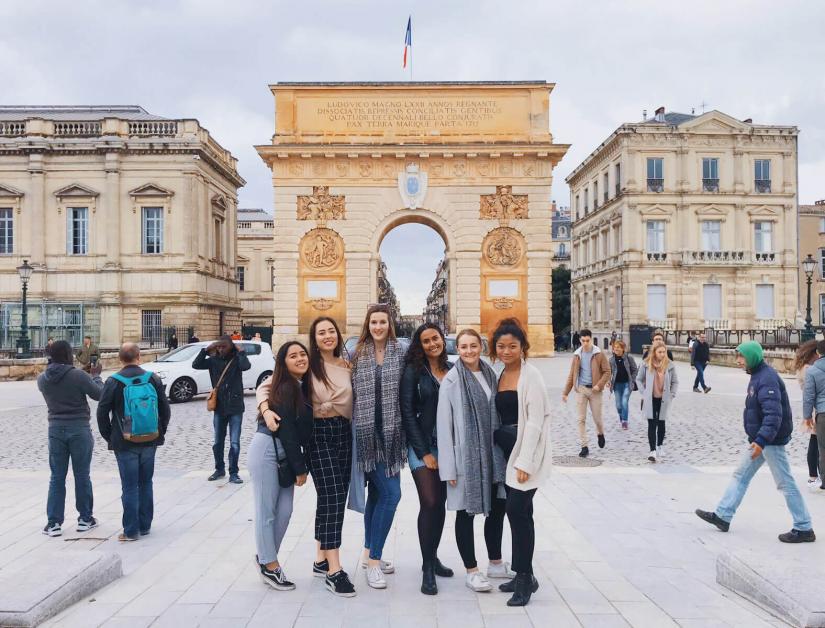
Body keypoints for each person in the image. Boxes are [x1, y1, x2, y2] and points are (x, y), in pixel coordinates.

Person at [257, 316, 356, 597]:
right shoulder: (308, 365)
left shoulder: (349, 366)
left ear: (337, 334)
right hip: (318, 435)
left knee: (331, 498)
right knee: (334, 495)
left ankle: (321, 559)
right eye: (321, 332)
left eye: (331, 331)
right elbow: (268, 385)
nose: (327, 336)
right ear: (315, 337)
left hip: (343, 435)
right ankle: (335, 570)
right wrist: (265, 408)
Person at [696, 341, 816, 543]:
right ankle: (723, 515)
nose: (739, 361)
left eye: (741, 357)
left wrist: (760, 441)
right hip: (761, 439)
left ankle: (804, 527)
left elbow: (773, 415)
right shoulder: (758, 376)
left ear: (751, 357)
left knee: (785, 483)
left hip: (769, 441)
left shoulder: (766, 378)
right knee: (741, 475)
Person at [437, 328, 512, 593]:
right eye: (464, 347)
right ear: (458, 349)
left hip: (493, 456)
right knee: (465, 513)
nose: (469, 351)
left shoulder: (491, 374)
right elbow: (444, 426)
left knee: (498, 508)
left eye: (473, 346)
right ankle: (471, 570)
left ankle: (495, 562)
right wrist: (449, 467)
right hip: (465, 458)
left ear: (481, 347)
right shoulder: (452, 380)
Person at [491, 319, 551, 607]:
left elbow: (536, 422)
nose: (506, 351)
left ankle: (525, 578)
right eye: (501, 346)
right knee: (522, 513)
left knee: (517, 511)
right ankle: (523, 573)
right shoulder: (500, 373)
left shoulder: (532, 376)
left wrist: (525, 462)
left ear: (522, 347)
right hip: (508, 453)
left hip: (527, 453)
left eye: (512, 346)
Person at [249, 341, 313, 590]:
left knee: (284, 511)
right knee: (267, 511)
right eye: (293, 356)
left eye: (302, 354)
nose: (300, 359)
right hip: (268, 449)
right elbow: (286, 430)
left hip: (284, 453)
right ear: (283, 363)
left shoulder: (301, 384)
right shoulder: (286, 387)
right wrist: (300, 468)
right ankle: (270, 564)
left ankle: (265, 557)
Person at [351, 304, 406, 590]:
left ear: (390, 323)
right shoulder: (356, 353)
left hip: (393, 436)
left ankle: (368, 552)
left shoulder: (402, 351)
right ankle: (374, 561)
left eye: (383, 321)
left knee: (377, 496)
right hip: (364, 435)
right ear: (367, 324)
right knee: (391, 495)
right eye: (373, 322)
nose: (378, 326)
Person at [400, 323, 455, 595]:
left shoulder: (452, 370)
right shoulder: (413, 371)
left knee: (440, 504)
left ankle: (433, 557)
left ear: (442, 339)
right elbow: (407, 412)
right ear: (419, 345)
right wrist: (424, 452)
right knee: (430, 501)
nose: (432, 344)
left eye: (435, 338)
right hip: (422, 445)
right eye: (426, 340)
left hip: (447, 446)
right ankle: (427, 568)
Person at [96, 343, 170, 541]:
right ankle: (145, 525)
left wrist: (111, 437)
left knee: (129, 487)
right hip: (150, 439)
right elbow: (165, 409)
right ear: (138, 357)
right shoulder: (152, 378)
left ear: (121, 359)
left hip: (125, 440)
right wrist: (159, 431)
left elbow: (102, 412)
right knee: (146, 483)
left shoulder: (113, 382)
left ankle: (131, 531)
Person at [37, 340, 104, 536]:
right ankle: (85, 518)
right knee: (82, 475)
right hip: (79, 428)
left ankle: (54, 523)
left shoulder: (42, 379)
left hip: (55, 429)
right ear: (68, 355)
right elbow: (99, 394)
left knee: (57, 477)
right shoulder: (78, 376)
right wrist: (97, 376)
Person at [193, 336, 251, 484]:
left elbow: (246, 366)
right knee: (218, 441)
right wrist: (205, 350)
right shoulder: (213, 360)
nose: (220, 349)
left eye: (223, 347)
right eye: (218, 347)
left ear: (231, 347)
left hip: (236, 406)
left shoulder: (237, 360)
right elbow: (196, 364)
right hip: (219, 406)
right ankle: (219, 469)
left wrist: (241, 351)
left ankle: (234, 472)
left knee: (234, 442)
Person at [562, 329, 609, 458]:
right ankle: (584, 446)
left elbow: (607, 372)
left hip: (595, 391)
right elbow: (572, 375)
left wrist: (599, 385)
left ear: (591, 339)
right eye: (583, 341)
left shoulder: (599, 354)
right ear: (580, 340)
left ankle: (600, 433)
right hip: (581, 389)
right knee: (581, 419)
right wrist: (566, 392)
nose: (585, 343)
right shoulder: (577, 355)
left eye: (588, 340)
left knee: (597, 419)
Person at [636, 340, 678, 463]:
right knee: (652, 423)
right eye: (660, 352)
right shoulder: (646, 364)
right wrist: (644, 392)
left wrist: (672, 394)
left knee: (661, 422)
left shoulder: (670, 365)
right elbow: (638, 379)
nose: (662, 354)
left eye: (664, 352)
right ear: (654, 352)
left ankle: (659, 445)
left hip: (664, 398)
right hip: (651, 398)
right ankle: (652, 451)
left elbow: (675, 381)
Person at [795, 340, 820, 490]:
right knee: (816, 442)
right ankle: (813, 475)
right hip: (815, 408)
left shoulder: (805, 367)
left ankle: (814, 475)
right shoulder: (808, 369)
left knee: (815, 441)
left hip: (814, 407)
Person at [802, 339, 825, 494]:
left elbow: (808, 396)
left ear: (818, 353)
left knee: (823, 449)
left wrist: (807, 416)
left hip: (823, 414)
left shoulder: (812, 371)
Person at [608, 339, 638, 430]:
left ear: (623, 348)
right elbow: (608, 372)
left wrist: (632, 380)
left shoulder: (629, 358)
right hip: (616, 385)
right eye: (615, 347)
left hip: (627, 384)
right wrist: (608, 381)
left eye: (618, 347)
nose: (616, 349)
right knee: (618, 405)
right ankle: (621, 415)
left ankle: (625, 421)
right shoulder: (611, 360)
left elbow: (635, 370)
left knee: (624, 401)